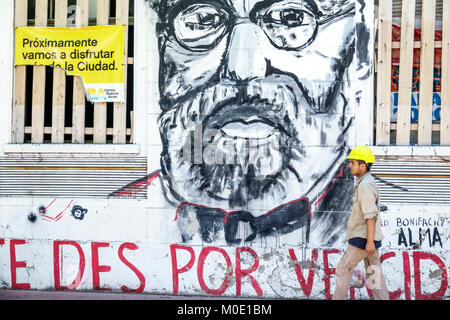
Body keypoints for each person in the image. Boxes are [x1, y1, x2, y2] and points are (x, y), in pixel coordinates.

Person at [112, 0, 372, 247]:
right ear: (162, 45)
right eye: (202, 20)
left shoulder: (368, 208)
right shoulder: (121, 215)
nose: (243, 69)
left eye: (292, 18)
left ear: (358, 52)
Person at [332, 145, 389, 300]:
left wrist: (369, 242)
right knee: (374, 275)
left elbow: (370, 216)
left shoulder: (364, 185)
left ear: (362, 166)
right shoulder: (366, 182)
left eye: (353, 162)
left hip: (363, 239)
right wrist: (372, 241)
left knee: (343, 269)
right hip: (370, 239)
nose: (350, 165)